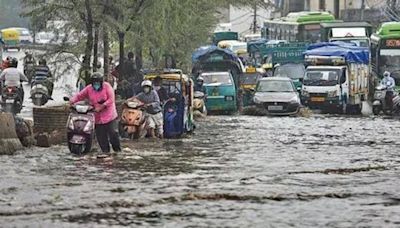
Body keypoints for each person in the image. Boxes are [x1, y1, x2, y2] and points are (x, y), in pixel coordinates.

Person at [70, 72, 121, 154]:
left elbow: (111, 99)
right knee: (101, 138)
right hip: (97, 118)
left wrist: (102, 106)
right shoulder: (89, 89)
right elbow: (79, 96)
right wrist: (71, 101)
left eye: (97, 83)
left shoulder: (107, 87)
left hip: (109, 116)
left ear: (101, 83)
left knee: (113, 133)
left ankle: (117, 151)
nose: (96, 85)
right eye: (94, 83)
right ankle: (106, 153)